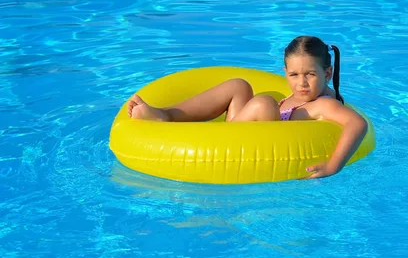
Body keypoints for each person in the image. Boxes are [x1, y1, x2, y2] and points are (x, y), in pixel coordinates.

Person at [127, 35, 368, 179]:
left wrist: (333, 165)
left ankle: (175, 122)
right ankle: (166, 116)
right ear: (284, 73)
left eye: (310, 75)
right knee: (239, 86)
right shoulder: (298, 95)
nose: (302, 83)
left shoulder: (324, 104)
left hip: (237, 149)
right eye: (294, 74)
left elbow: (357, 123)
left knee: (264, 103)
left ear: (327, 73)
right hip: (238, 134)